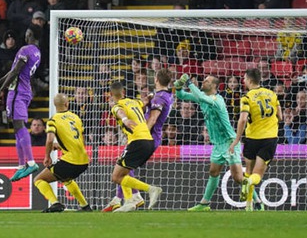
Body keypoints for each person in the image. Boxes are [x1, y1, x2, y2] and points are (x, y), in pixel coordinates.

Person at [174, 73, 256, 211]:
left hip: (229, 141)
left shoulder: (218, 100)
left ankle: (257, 201)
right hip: (217, 144)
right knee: (213, 171)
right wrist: (178, 86)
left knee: (237, 178)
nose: (203, 82)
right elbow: (182, 96)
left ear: (213, 86)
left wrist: (188, 82)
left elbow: (199, 96)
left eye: (206, 81)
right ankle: (204, 204)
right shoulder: (203, 98)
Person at [103, 68, 174, 212]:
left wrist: (126, 120)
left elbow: (123, 112)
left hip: (143, 138)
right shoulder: (138, 101)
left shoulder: (118, 106)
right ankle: (126, 198)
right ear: (123, 93)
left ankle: (134, 197)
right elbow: (145, 101)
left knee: (120, 173)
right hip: (147, 138)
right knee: (123, 165)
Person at [0, 25, 43, 182]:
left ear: (29, 34)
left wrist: (0, 90)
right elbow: (14, 70)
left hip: (17, 92)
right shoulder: (37, 52)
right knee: (17, 129)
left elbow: (15, 71)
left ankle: (31, 163)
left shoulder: (25, 49)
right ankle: (21, 166)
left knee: (19, 127)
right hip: (25, 92)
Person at [229, 68, 282, 211]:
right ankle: (249, 186)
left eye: (244, 79)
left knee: (248, 171)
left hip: (252, 139)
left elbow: (243, 120)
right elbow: (280, 116)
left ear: (250, 80)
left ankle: (248, 206)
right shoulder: (272, 94)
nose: (244, 81)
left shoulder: (246, 98)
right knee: (257, 175)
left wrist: (236, 140)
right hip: (269, 138)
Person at [33, 93, 92, 212]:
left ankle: (55, 203)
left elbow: (49, 139)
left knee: (39, 180)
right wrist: (61, 146)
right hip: (84, 161)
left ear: (55, 105)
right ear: (67, 104)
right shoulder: (76, 117)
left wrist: (47, 156)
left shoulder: (53, 120)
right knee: (65, 178)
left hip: (70, 162)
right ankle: (85, 206)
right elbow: (80, 140)